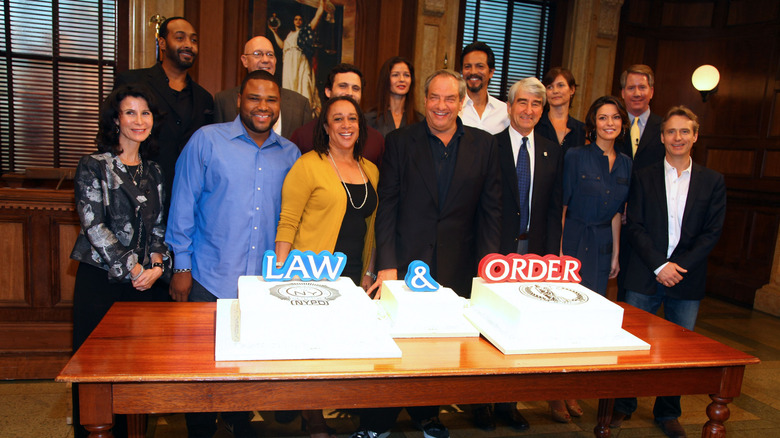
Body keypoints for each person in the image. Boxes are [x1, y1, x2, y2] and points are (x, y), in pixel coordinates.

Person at [351, 70, 502, 438]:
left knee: (440, 346)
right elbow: (388, 205)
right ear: (425, 99)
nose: (441, 106)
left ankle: (428, 414)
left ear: (462, 102)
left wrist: (489, 271)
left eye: (450, 99)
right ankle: (377, 423)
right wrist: (386, 264)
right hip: (403, 264)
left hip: (456, 266)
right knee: (394, 345)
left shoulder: (484, 145)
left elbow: (491, 212)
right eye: (434, 97)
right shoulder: (401, 141)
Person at [165, 70, 300, 438]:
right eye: (254, 98)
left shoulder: (291, 154)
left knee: (249, 364)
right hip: (209, 276)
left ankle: (239, 420)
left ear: (279, 105)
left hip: (261, 283)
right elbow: (183, 205)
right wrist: (182, 265)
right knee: (199, 367)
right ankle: (200, 428)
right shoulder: (207, 141)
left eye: (271, 100)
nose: (263, 107)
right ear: (239, 100)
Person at [611, 106, 726, 438]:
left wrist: (678, 267)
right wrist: (660, 265)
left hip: (686, 279)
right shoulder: (643, 176)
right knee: (632, 346)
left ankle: (667, 412)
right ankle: (622, 405)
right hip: (645, 274)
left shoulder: (712, 181)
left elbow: (712, 233)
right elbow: (636, 227)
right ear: (662, 137)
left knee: (678, 352)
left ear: (695, 136)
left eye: (684, 131)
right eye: (671, 132)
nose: (678, 138)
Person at [70, 84, 171, 438]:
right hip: (102, 284)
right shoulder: (93, 166)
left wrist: (158, 265)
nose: (139, 120)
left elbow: (159, 227)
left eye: (145, 113)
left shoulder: (155, 171)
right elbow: (93, 225)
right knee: (97, 372)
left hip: (146, 287)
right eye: (130, 112)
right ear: (116, 119)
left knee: (140, 375)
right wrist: (135, 267)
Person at [275, 96, 378, 438]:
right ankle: (314, 418)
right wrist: (279, 271)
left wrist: (368, 272)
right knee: (311, 347)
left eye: (352, 119)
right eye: (338, 119)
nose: (346, 125)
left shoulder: (371, 170)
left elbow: (373, 229)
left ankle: (328, 408)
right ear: (326, 127)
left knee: (339, 345)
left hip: (352, 275)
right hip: (312, 273)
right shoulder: (309, 164)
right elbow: (288, 220)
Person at [473, 77, 562, 431]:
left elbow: (554, 209)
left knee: (521, 327)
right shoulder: (488, 147)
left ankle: (509, 404)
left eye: (536, 105)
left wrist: (551, 256)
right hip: (494, 249)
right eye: (522, 103)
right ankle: (480, 404)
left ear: (543, 110)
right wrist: (483, 252)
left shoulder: (553, 151)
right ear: (509, 107)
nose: (528, 110)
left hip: (533, 252)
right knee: (488, 327)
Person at [114, 16, 214, 213]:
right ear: (162, 43)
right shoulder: (132, 81)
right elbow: (111, 134)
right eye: (180, 38)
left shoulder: (204, 98)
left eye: (193, 40)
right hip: (136, 194)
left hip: (187, 201)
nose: (188, 45)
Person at [561, 96, 631, 296]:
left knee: (595, 303)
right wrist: (559, 252)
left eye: (615, 117)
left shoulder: (626, 164)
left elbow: (617, 213)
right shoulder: (575, 156)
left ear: (622, 123)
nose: (610, 123)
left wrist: (615, 254)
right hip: (573, 241)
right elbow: (562, 207)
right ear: (593, 123)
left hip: (603, 245)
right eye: (603, 118)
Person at [615, 64, 666, 301]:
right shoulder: (611, 124)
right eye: (631, 88)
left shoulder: (665, 128)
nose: (637, 93)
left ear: (652, 91)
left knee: (640, 287)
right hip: (612, 218)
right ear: (623, 92)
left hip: (648, 221)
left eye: (642, 87)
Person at [213, 36, 312, 137]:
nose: (265, 60)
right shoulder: (224, 100)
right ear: (244, 60)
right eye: (258, 54)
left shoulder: (300, 104)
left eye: (270, 55)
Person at [290, 63, 385, 166]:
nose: (349, 93)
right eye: (343, 86)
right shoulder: (303, 136)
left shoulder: (375, 140)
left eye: (356, 88)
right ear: (328, 91)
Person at [269, 0, 325, 113]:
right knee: (290, 86)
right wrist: (274, 32)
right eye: (296, 19)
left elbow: (316, 19)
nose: (298, 21)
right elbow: (282, 46)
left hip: (300, 60)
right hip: (289, 62)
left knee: (305, 85)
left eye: (300, 19)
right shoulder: (290, 35)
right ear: (293, 21)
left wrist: (321, 7)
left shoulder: (304, 31)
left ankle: (306, 113)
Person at [458, 41, 509, 134]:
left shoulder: (504, 112)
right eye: (467, 66)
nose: (473, 72)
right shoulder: (454, 108)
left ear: (491, 72)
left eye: (480, 66)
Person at [365, 56, 423, 137]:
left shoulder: (420, 120)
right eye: (395, 75)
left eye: (406, 75)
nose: (402, 79)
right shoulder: (369, 119)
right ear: (386, 79)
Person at [537, 67, 586, 155]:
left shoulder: (582, 130)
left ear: (572, 89)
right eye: (550, 87)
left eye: (560, 85)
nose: (555, 91)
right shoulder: (535, 125)